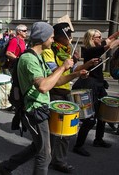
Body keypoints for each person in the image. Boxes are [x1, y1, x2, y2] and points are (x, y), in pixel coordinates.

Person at [0, 22, 87, 175]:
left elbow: (55, 81)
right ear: (42, 38)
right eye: (51, 37)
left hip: (42, 108)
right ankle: (5, 167)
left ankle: (5, 167)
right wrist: (63, 67)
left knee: (38, 147)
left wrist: (76, 74)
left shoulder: (38, 57)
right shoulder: (29, 59)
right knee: (44, 155)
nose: (53, 40)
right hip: (33, 110)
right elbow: (43, 86)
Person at [71, 29, 119, 156]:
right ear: (92, 39)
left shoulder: (97, 46)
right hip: (90, 86)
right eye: (99, 37)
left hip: (99, 85)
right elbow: (110, 44)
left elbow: (109, 40)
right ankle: (78, 145)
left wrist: (117, 33)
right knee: (89, 119)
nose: (102, 38)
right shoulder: (91, 50)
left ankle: (98, 139)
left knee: (103, 113)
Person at [42, 22, 80, 173]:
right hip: (54, 92)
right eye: (68, 35)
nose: (70, 38)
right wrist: (65, 65)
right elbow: (54, 74)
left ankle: (57, 158)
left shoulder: (66, 50)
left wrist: (83, 67)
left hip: (66, 92)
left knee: (66, 130)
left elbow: (73, 71)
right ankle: (52, 159)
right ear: (58, 37)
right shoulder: (49, 51)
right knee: (55, 130)